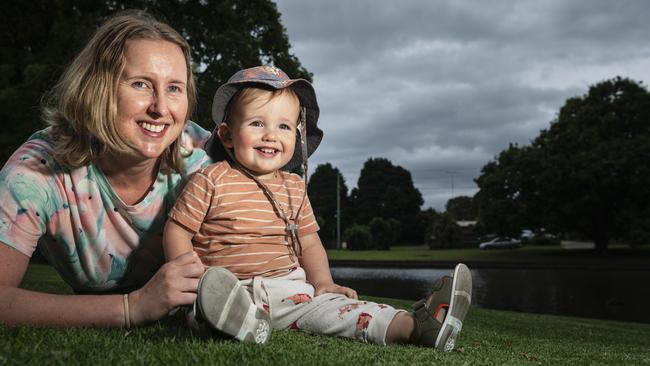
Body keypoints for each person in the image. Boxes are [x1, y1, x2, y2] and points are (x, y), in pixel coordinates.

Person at [163, 65, 473, 349]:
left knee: (348, 313)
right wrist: (195, 280)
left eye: (285, 127)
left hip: (292, 292)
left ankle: (417, 326)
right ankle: (233, 322)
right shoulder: (212, 179)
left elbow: (309, 242)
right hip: (232, 290)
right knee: (204, 311)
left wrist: (323, 282)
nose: (271, 135)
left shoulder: (294, 187)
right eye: (257, 123)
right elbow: (177, 230)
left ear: (296, 138)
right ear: (228, 135)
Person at [0, 11, 209, 327]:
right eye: (140, 84)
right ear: (98, 88)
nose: (161, 109)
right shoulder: (35, 172)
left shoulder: (202, 155)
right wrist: (132, 308)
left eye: (175, 88)